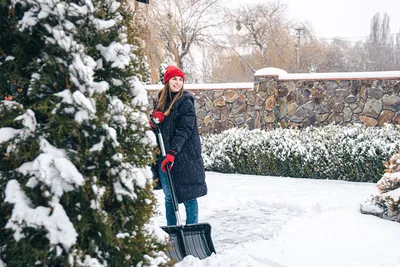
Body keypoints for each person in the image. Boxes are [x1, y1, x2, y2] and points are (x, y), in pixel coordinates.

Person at [150, 65, 207, 226]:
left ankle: (192, 229)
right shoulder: (160, 101)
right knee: (169, 198)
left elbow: (185, 129)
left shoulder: (185, 101)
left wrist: (173, 152)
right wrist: (153, 121)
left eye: (180, 79)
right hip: (164, 155)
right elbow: (158, 128)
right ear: (167, 81)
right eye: (174, 79)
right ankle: (173, 231)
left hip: (183, 157)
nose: (177, 82)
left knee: (189, 197)